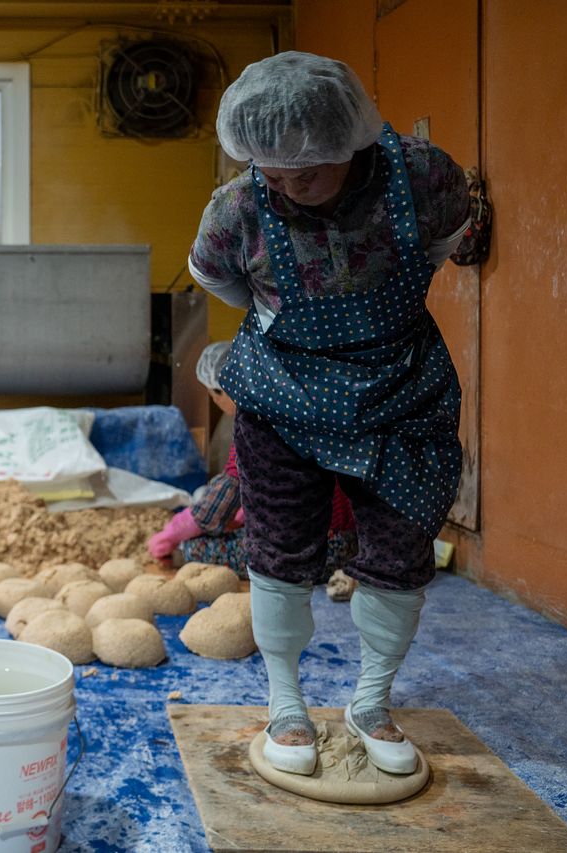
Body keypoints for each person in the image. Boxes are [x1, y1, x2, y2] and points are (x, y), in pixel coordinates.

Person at [188, 53, 470, 777]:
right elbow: (221, 281)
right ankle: (286, 702)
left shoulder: (425, 179)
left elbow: (440, 245)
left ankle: (371, 701)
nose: (282, 188)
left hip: (402, 393)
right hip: (285, 394)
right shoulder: (239, 208)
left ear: (350, 144)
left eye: (303, 174)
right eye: (268, 173)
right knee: (280, 549)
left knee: (401, 551)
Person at [147, 342, 357, 582]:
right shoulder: (300, 405)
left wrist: (175, 532)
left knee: (193, 547)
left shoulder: (255, 425)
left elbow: (216, 507)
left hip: (318, 549)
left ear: (227, 388)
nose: (216, 402)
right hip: (351, 540)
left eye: (214, 394)